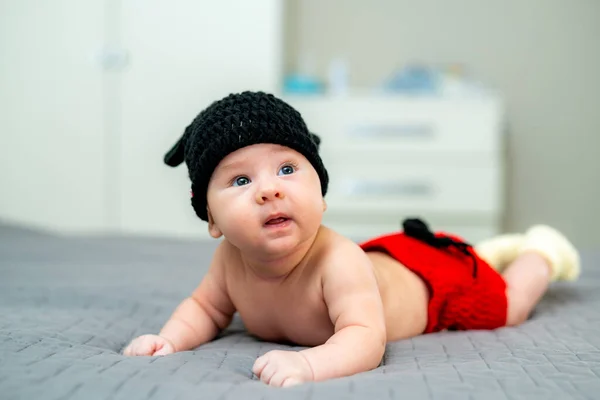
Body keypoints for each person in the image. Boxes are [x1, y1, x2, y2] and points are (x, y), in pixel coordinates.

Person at [123, 91, 580, 387]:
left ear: (320, 195)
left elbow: (366, 338)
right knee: (471, 259)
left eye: (287, 169)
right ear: (211, 218)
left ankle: (539, 252)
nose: (269, 189)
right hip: (390, 259)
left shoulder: (337, 263)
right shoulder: (228, 261)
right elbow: (205, 308)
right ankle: (490, 251)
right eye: (240, 181)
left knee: (507, 306)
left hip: (435, 286)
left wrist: (309, 365)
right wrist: (171, 340)